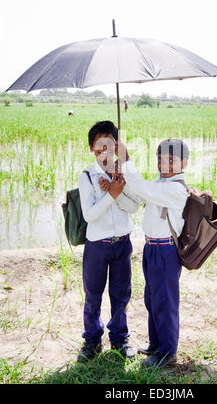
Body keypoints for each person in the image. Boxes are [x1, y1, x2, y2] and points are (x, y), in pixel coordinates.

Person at [117, 138, 189, 368]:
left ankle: (168, 354)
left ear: (184, 163)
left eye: (171, 161)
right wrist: (121, 183)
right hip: (151, 249)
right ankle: (156, 344)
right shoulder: (161, 182)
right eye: (160, 160)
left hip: (166, 251)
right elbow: (139, 194)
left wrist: (126, 161)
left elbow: (144, 189)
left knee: (165, 303)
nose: (165, 165)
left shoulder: (176, 189)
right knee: (152, 300)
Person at [77, 120, 140, 362]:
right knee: (93, 294)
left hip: (122, 243)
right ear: (92, 148)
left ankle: (119, 337)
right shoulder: (87, 177)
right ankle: (92, 340)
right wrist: (110, 194)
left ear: (117, 147)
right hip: (97, 246)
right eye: (99, 146)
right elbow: (90, 215)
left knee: (121, 293)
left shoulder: (122, 174)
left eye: (110, 145)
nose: (105, 152)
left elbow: (134, 207)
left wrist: (117, 190)